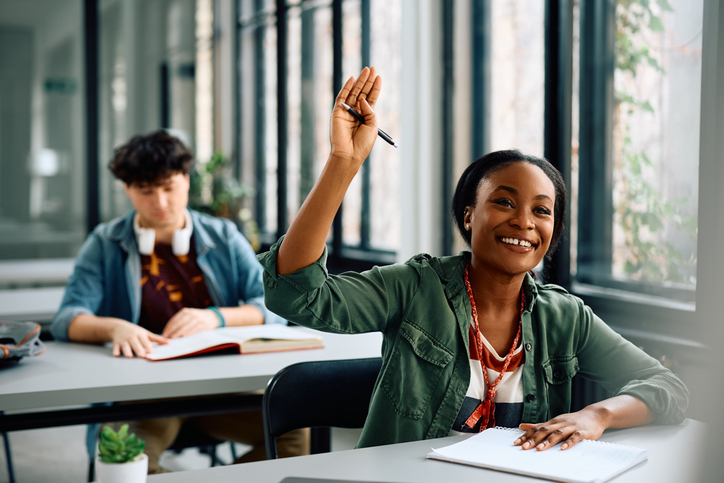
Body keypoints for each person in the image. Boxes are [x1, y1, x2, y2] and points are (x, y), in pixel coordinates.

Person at [257, 67, 689, 451]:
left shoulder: (565, 317)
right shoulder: (416, 287)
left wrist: (598, 415)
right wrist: (343, 162)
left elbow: (666, 386)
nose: (524, 222)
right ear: (469, 215)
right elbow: (297, 294)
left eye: (542, 210)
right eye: (504, 202)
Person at [51, 130, 308, 473]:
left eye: (169, 187)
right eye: (145, 191)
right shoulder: (105, 242)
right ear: (128, 189)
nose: (159, 202)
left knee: (295, 433)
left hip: (221, 388)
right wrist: (114, 328)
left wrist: (214, 318)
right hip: (143, 393)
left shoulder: (224, 236)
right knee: (125, 460)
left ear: (186, 181)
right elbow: (67, 318)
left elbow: (271, 308)